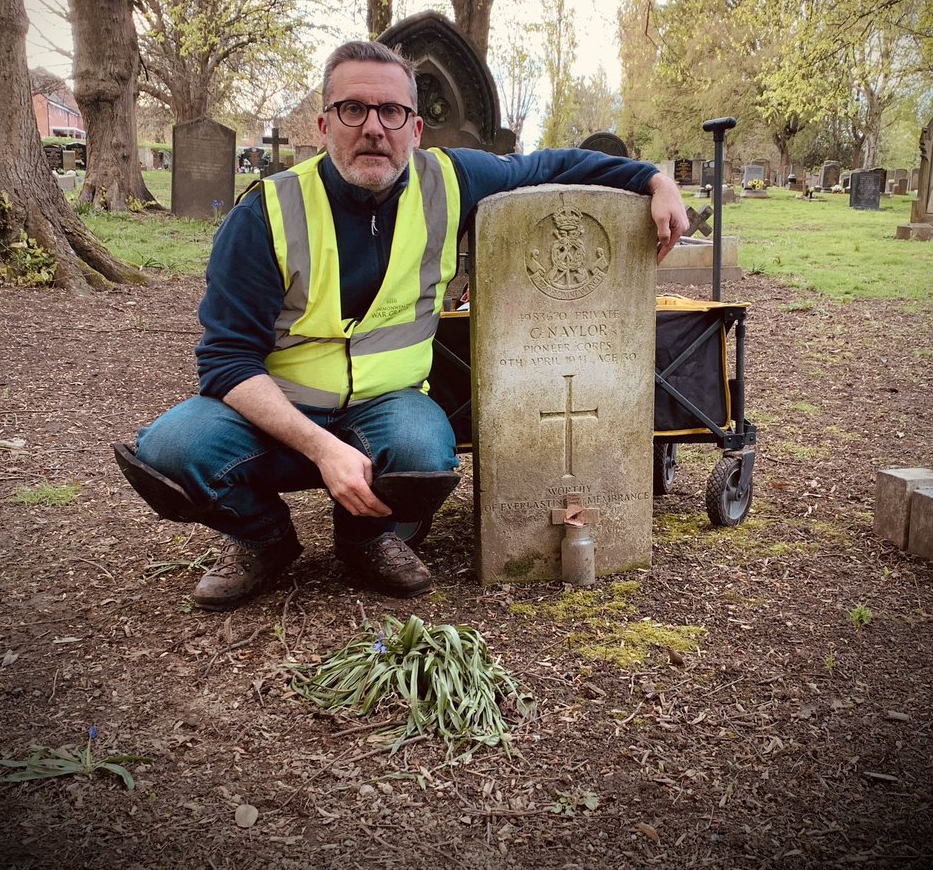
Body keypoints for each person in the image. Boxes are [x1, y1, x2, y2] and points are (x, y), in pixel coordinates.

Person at [115, 39, 688, 611]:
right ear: (323, 124)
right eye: (353, 110)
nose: (373, 128)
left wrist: (654, 181)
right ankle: (263, 538)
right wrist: (321, 448)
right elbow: (226, 362)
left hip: (388, 405)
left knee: (425, 457)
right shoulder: (266, 213)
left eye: (391, 112)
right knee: (169, 454)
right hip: (279, 411)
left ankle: (364, 540)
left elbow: (551, 164)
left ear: (415, 129)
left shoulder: (450, 181)